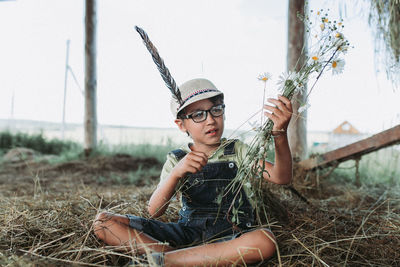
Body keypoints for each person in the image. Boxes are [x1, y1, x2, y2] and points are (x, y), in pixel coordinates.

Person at [93, 78, 293, 266]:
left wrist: (280, 134)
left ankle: (164, 261)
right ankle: (179, 256)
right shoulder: (177, 159)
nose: (210, 120)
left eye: (216, 110)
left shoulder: (237, 151)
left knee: (264, 240)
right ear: (181, 125)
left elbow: (281, 177)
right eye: (198, 114)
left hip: (231, 236)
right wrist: (176, 174)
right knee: (103, 222)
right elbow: (155, 211)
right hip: (186, 233)